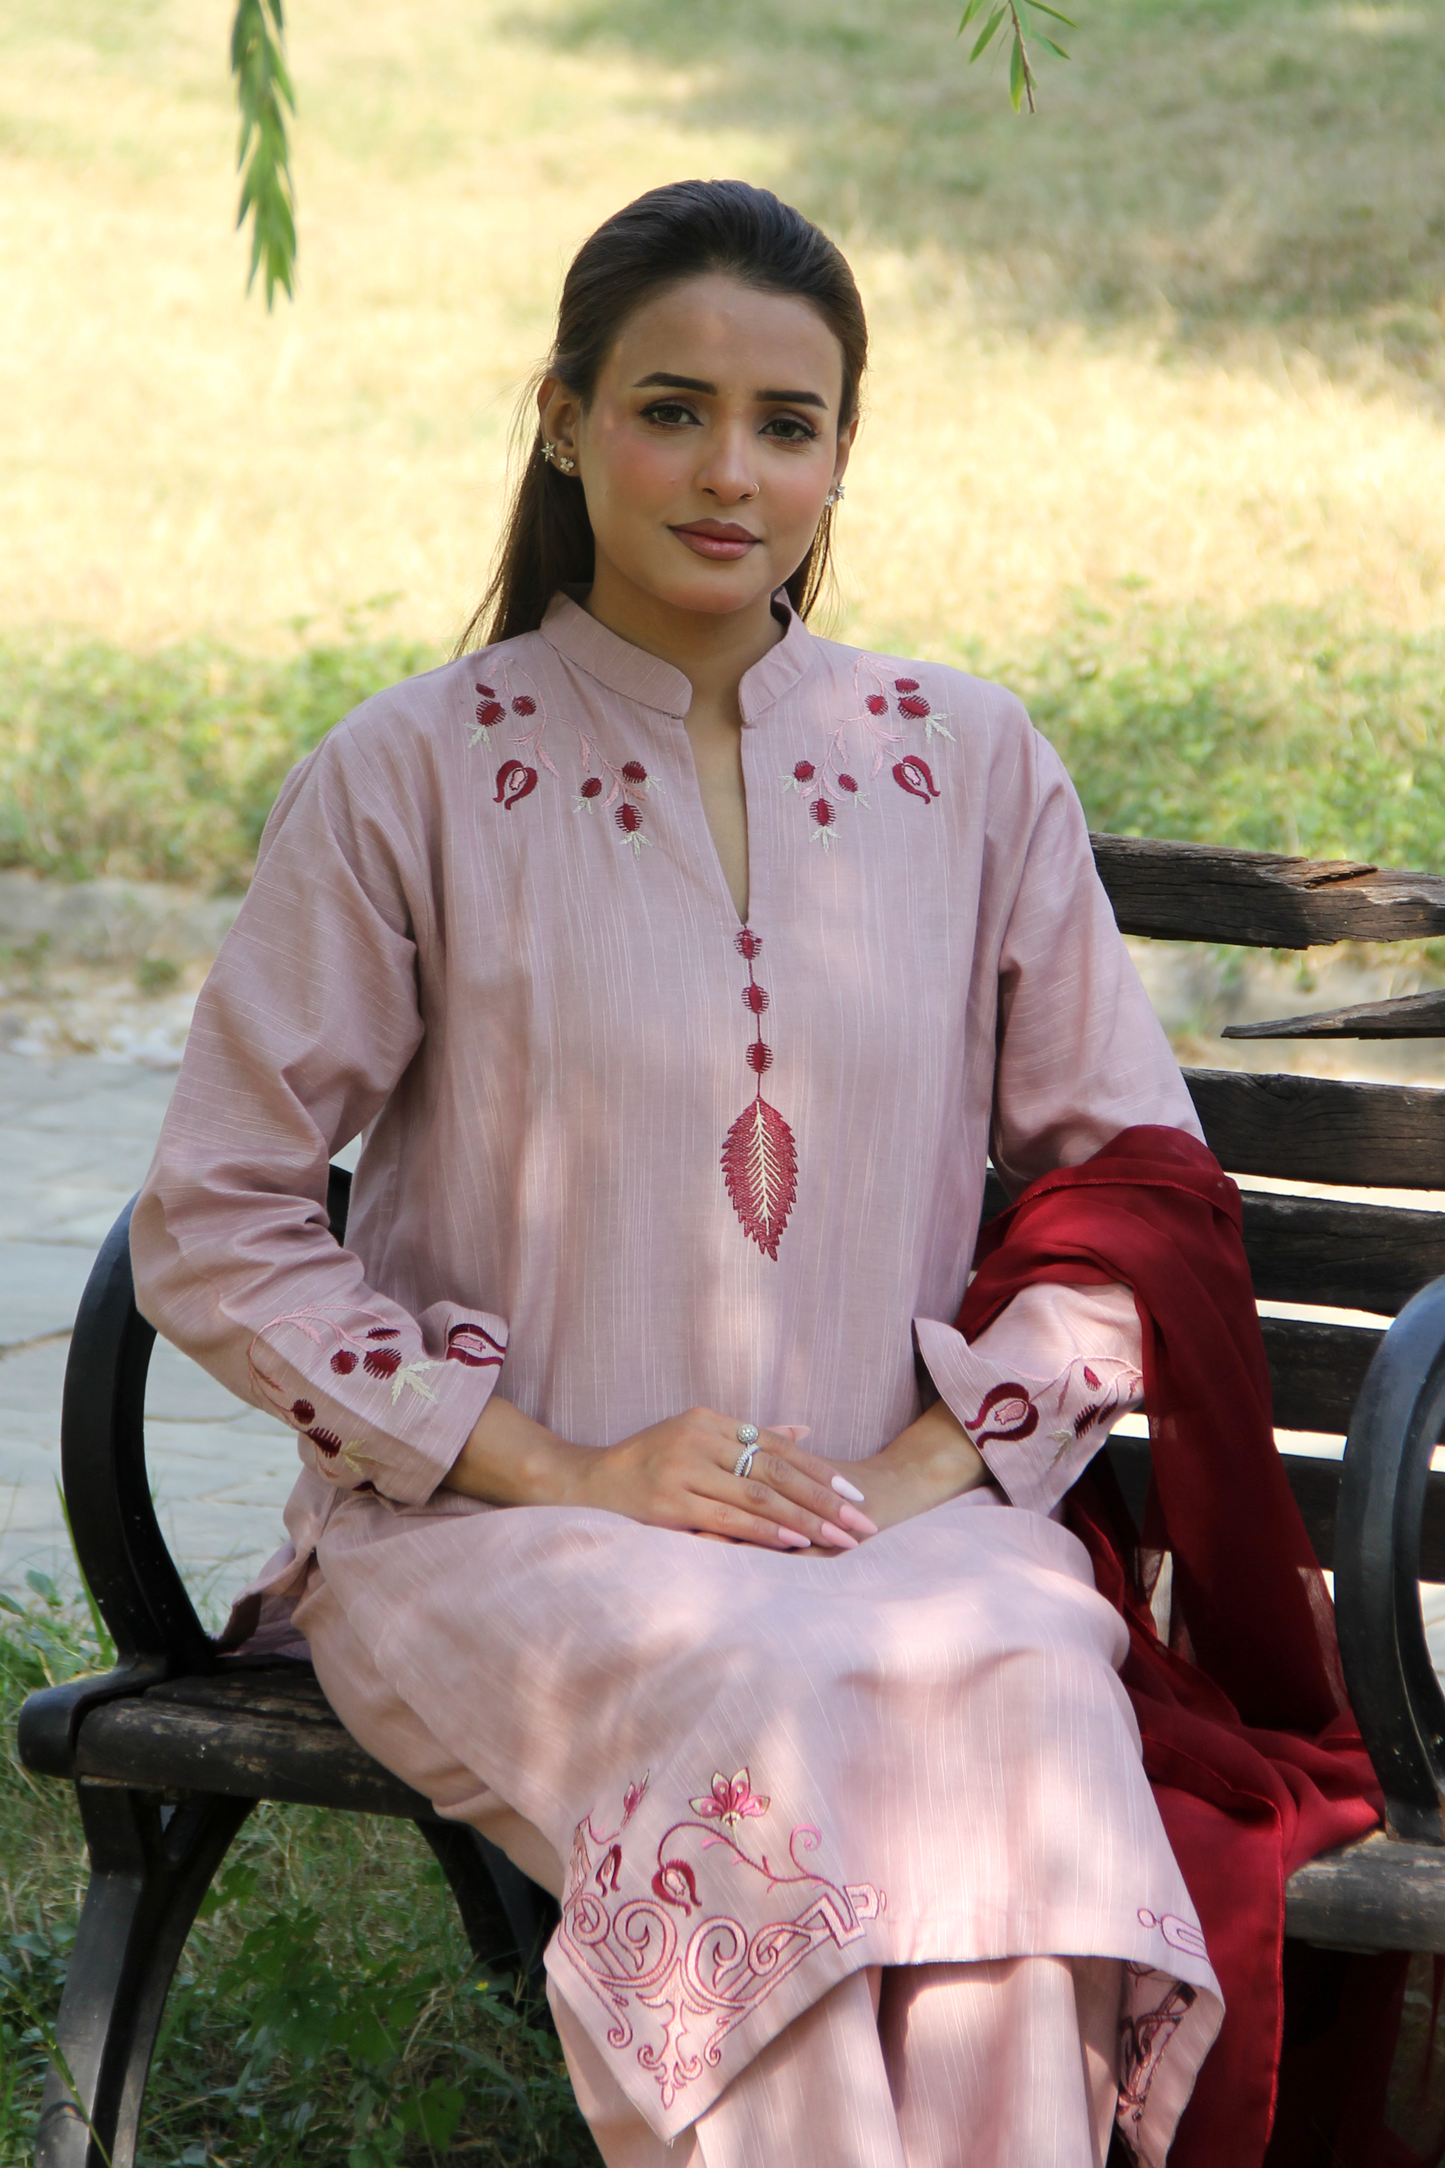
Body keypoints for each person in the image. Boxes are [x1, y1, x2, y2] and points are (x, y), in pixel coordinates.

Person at [135, 178, 1374, 2168]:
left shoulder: (963, 764)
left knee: (1022, 1659)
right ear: (561, 417)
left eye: (785, 425)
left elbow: (1131, 1194)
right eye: (670, 407)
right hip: (498, 1534)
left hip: (888, 1527)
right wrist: (565, 1462)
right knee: (759, 1698)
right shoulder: (410, 778)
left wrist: (937, 1460)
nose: (729, 472)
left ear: (837, 454)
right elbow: (215, 1224)